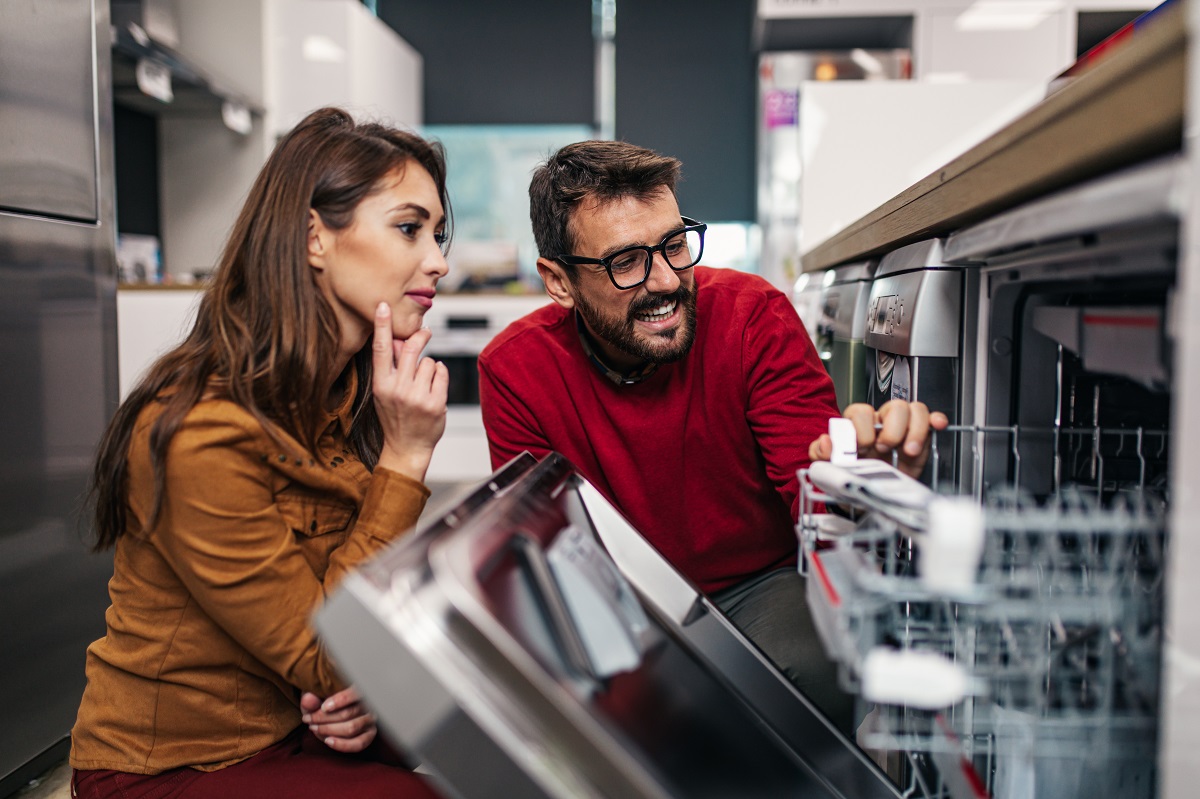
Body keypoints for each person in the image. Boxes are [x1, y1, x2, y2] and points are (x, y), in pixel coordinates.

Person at [477, 140, 947, 735]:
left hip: (757, 586)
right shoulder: (515, 369)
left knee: (822, 663)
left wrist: (864, 479)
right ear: (559, 282)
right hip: (619, 599)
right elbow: (542, 549)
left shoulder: (752, 315)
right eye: (626, 262)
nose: (668, 281)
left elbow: (817, 493)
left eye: (675, 245)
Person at [70, 107, 451, 798]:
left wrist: (356, 683)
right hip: (165, 768)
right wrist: (404, 458)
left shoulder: (340, 398)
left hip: (286, 720)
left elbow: (341, 622)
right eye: (409, 228)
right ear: (315, 237)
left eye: (437, 233)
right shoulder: (201, 429)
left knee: (450, 722)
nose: (439, 260)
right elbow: (327, 653)